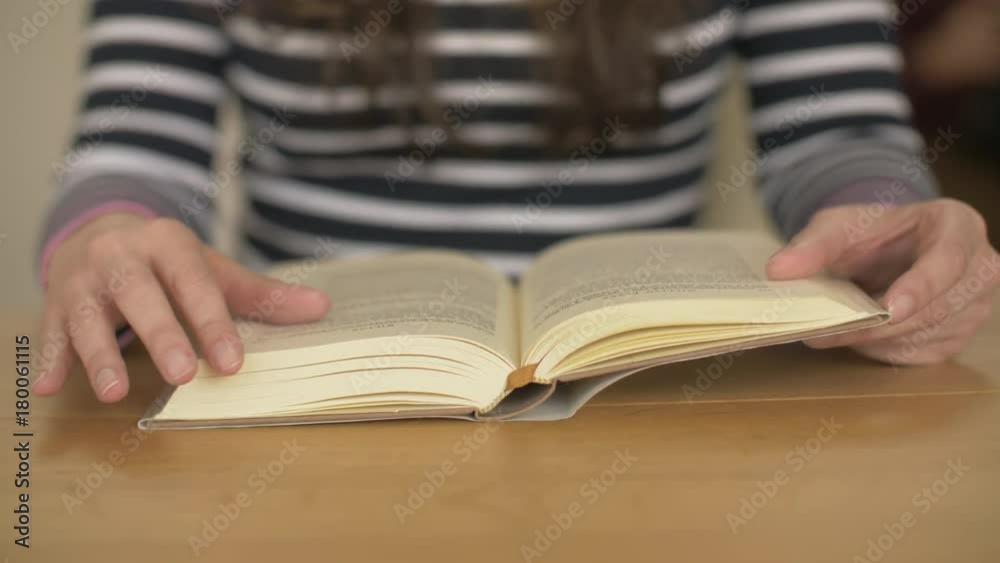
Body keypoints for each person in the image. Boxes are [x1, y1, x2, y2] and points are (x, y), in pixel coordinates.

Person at [34, 0, 999, 403]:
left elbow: (835, 131)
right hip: (303, 396)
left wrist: (885, 225)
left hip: (654, 399)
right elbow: (132, 149)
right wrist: (111, 233)